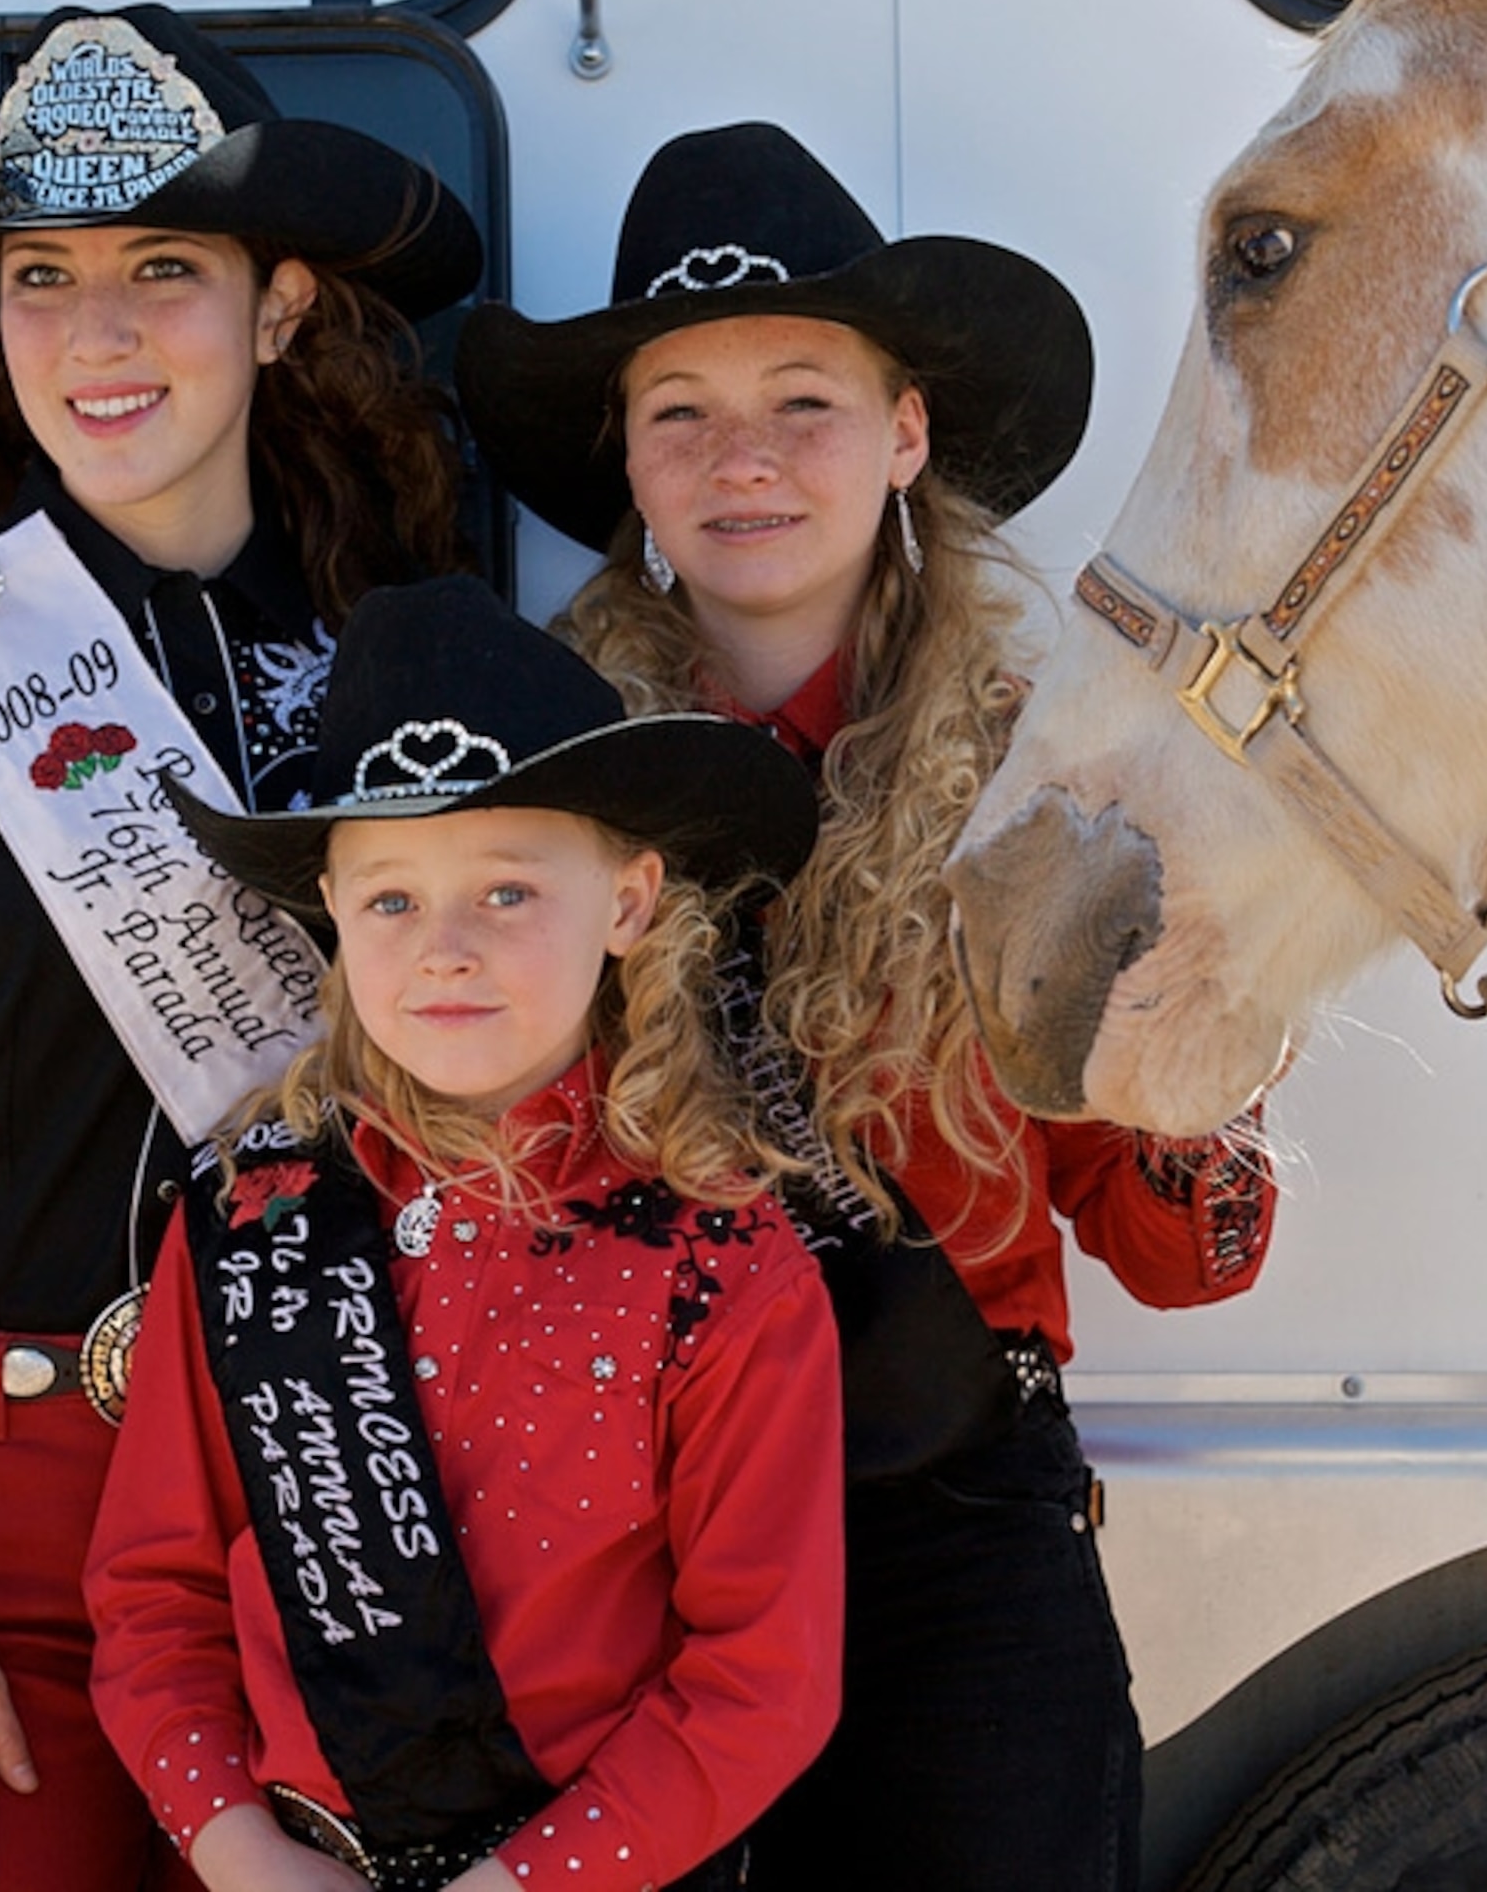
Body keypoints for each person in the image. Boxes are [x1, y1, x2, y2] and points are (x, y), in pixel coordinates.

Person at [453, 122, 1280, 1892]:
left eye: (804, 401)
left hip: (951, 1535)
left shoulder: (1059, 775)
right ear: (629, 463)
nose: (741, 458)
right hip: (616, 1541)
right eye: (680, 409)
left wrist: (1198, 1064)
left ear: (906, 437)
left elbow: (1183, 1253)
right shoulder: (526, 774)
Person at [0, 4, 481, 1892]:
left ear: (284, 306)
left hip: (355, 1487)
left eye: (164, 267)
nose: (97, 333)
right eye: (40, 278)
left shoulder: (422, 667)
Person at [86, 574, 842, 1892]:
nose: (443, 949)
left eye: (505, 892)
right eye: (390, 901)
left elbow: (761, 1679)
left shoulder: (720, 1264)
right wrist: (237, 1847)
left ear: (627, 903)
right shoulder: (245, 1223)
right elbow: (155, 1597)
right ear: (330, 914)